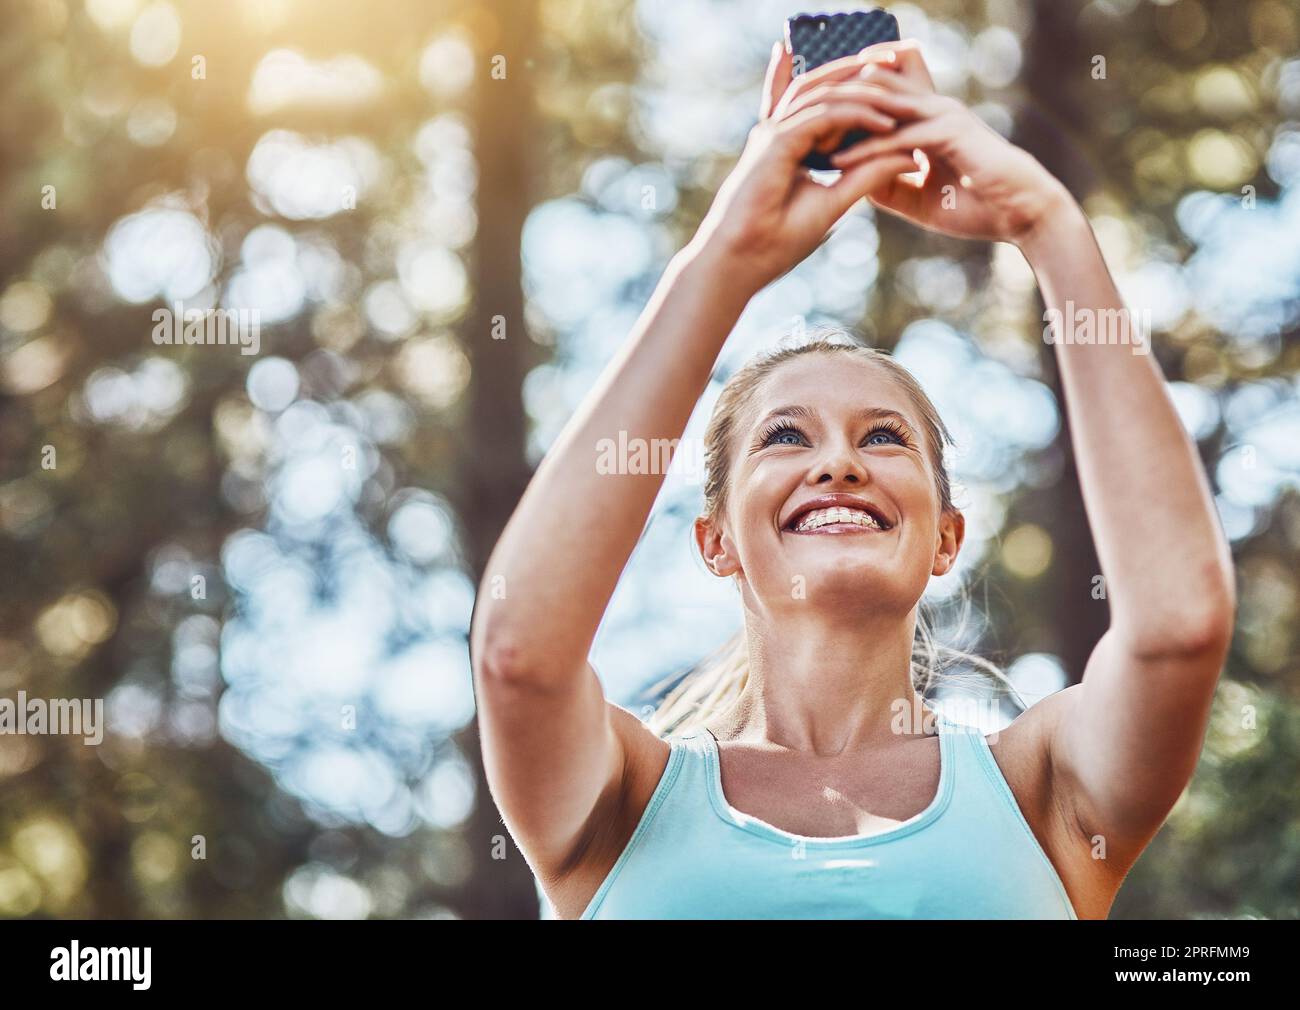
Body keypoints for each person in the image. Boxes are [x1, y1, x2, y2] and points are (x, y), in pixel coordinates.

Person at [469, 38, 1236, 919]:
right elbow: (517, 653)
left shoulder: (1044, 791)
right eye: (786, 437)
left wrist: (1047, 227)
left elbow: (1178, 627)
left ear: (948, 537)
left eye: (883, 438)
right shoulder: (620, 805)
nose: (839, 463)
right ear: (716, 540)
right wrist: (726, 255)